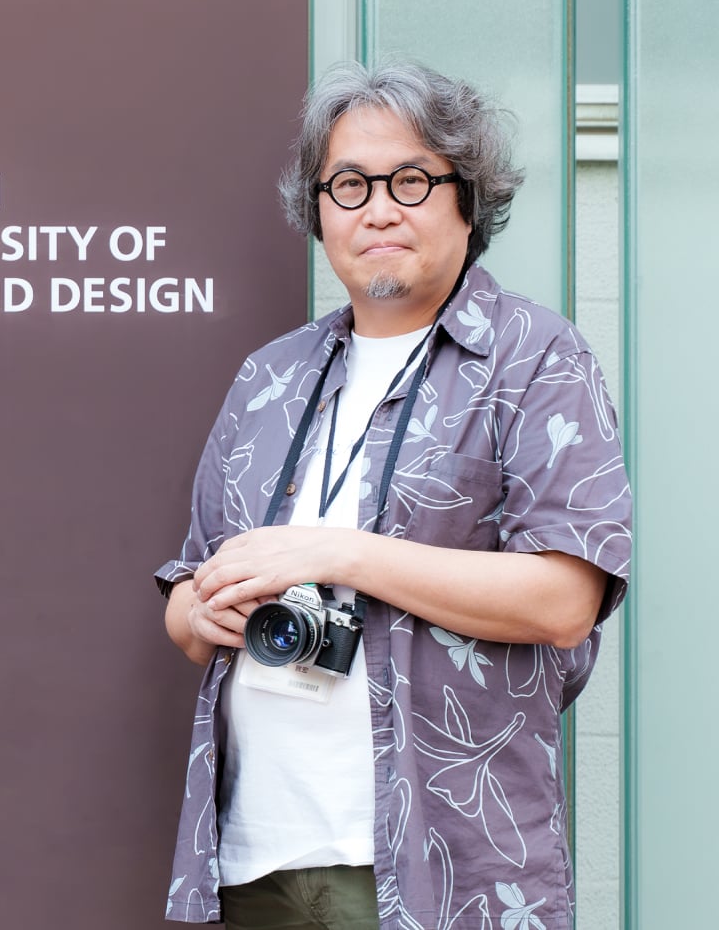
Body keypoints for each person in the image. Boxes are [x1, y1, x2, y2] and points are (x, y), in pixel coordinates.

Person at [157, 62, 631, 929]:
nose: (378, 208)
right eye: (348, 185)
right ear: (318, 211)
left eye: (410, 180)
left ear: (467, 199)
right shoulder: (270, 379)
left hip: (442, 866)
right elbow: (186, 608)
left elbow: (566, 600)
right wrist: (203, 612)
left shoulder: (536, 358)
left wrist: (335, 552)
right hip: (254, 855)